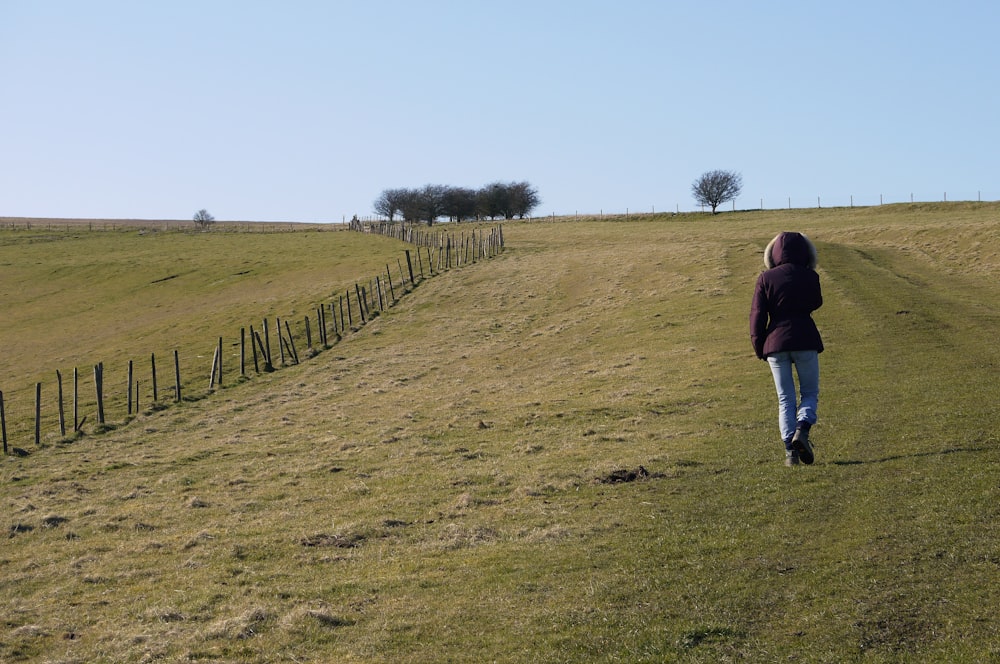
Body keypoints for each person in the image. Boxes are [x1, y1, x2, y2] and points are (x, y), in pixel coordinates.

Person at [750, 232, 824, 466]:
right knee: (810, 393)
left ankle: (790, 453)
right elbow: (816, 302)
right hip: (805, 338)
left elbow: (757, 315)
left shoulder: (765, 278)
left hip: (775, 343)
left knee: (785, 399)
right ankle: (802, 429)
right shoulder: (811, 276)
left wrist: (759, 345)